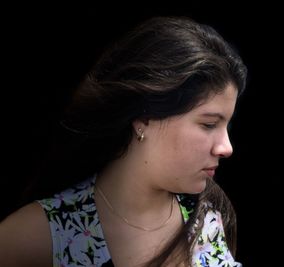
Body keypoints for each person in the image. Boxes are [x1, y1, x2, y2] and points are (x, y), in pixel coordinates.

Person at [0, 16, 247, 267]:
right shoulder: (37, 237)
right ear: (144, 117)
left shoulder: (208, 217)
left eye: (226, 125)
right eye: (208, 124)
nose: (226, 147)